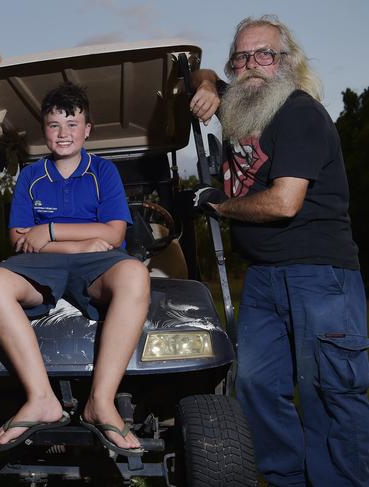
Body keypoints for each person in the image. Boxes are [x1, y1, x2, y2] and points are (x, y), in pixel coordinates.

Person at [190, 15, 369, 487]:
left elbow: (285, 202)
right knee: (256, 387)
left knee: (329, 392)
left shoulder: (298, 113)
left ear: (287, 63)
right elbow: (196, 73)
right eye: (241, 57)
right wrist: (207, 81)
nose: (252, 65)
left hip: (319, 275)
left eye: (264, 54)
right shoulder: (246, 103)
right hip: (265, 276)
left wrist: (221, 207)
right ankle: (285, 479)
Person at [0, 82, 150, 456]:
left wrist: (51, 230)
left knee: (136, 274)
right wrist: (80, 242)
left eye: (72, 125)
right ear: (45, 129)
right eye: (55, 125)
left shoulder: (103, 172)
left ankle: (100, 402)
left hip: (98, 265)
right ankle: (41, 398)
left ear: (87, 129)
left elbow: (114, 232)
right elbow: (21, 239)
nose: (63, 133)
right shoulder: (31, 176)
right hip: (43, 266)